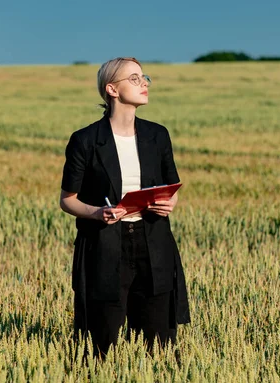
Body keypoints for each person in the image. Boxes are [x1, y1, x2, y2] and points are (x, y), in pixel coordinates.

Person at [59, 57, 190, 357]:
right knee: (100, 343)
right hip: (105, 245)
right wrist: (97, 213)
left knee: (161, 345)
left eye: (144, 77)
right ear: (112, 89)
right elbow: (67, 200)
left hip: (153, 241)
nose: (144, 83)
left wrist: (167, 204)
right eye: (134, 78)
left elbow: (173, 189)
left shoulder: (158, 135)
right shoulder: (86, 140)